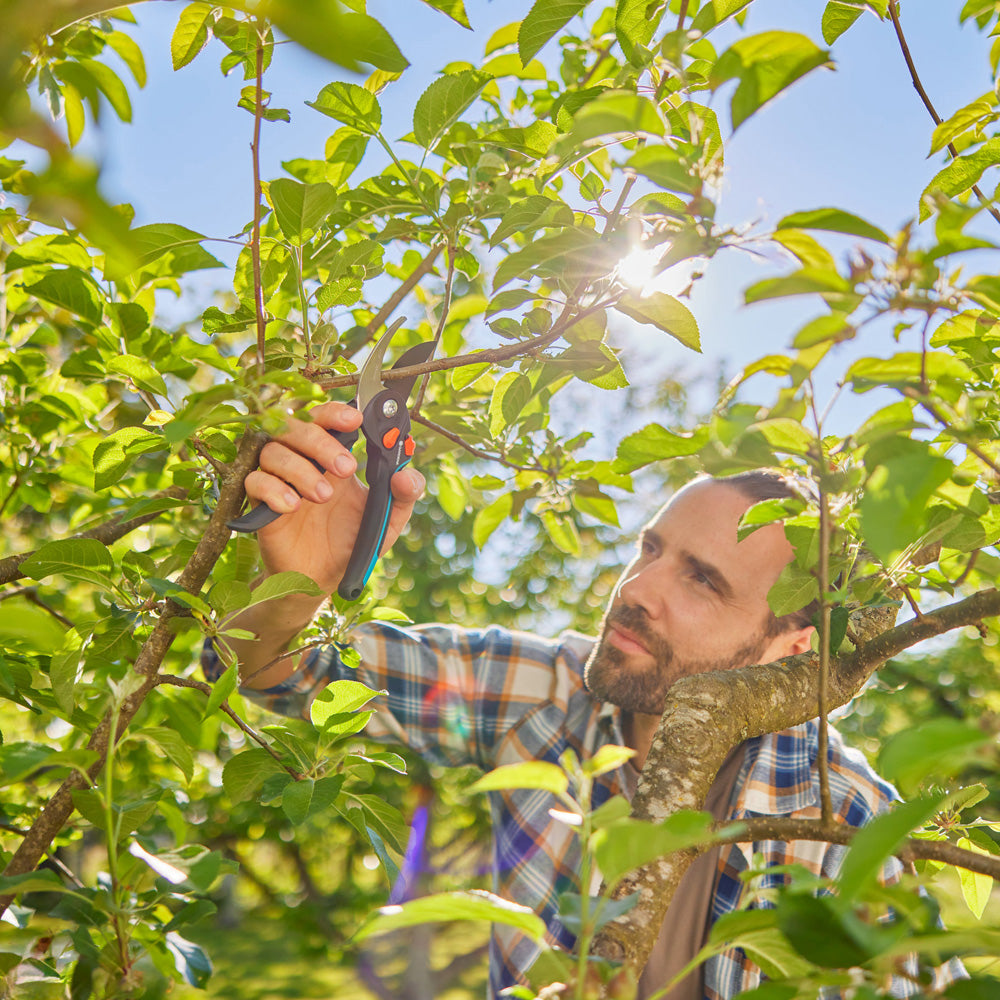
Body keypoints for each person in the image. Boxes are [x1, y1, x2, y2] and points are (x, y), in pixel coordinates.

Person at [203, 400, 960, 999]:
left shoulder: (848, 823)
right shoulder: (545, 692)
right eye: (650, 549)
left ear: (791, 648)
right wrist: (300, 584)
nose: (636, 590)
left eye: (702, 580)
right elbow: (283, 672)